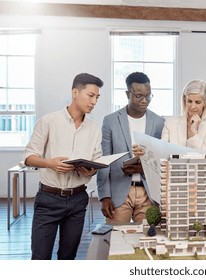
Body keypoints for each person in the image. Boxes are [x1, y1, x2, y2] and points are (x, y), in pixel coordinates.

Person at [24, 73, 104, 260]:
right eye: (90, 95)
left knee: (68, 257)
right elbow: (29, 157)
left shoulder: (94, 128)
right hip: (48, 199)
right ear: (75, 92)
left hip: (78, 199)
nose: (94, 102)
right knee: (40, 257)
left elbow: (96, 159)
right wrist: (49, 163)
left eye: (97, 98)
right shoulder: (49, 121)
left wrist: (91, 170)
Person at [97, 72, 165, 224]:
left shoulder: (159, 122)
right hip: (118, 193)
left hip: (148, 193)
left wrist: (145, 168)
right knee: (115, 241)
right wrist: (104, 196)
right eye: (139, 96)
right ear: (128, 93)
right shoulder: (110, 121)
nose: (144, 101)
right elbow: (104, 161)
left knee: (147, 240)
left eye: (148, 96)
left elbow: (162, 159)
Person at [161, 79, 206, 153]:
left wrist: (194, 133)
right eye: (189, 101)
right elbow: (162, 151)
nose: (193, 106)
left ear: (205, 102)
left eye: (197, 102)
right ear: (185, 100)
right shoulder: (170, 123)